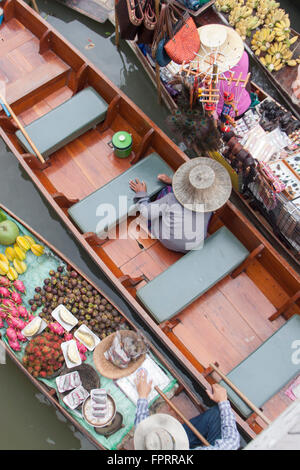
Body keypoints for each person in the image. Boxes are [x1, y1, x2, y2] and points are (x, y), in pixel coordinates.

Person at [129, 157, 232, 253]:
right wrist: (173, 182)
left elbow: (146, 212)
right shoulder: (210, 205)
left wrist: (141, 194)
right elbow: (195, 193)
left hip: (167, 241)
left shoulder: (171, 198)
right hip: (192, 247)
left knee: (166, 191)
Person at [133, 371, 240, 451]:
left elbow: (142, 428)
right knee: (218, 413)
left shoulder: (148, 443)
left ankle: (186, 437)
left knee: (218, 413)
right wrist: (223, 401)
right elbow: (232, 443)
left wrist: (142, 396)